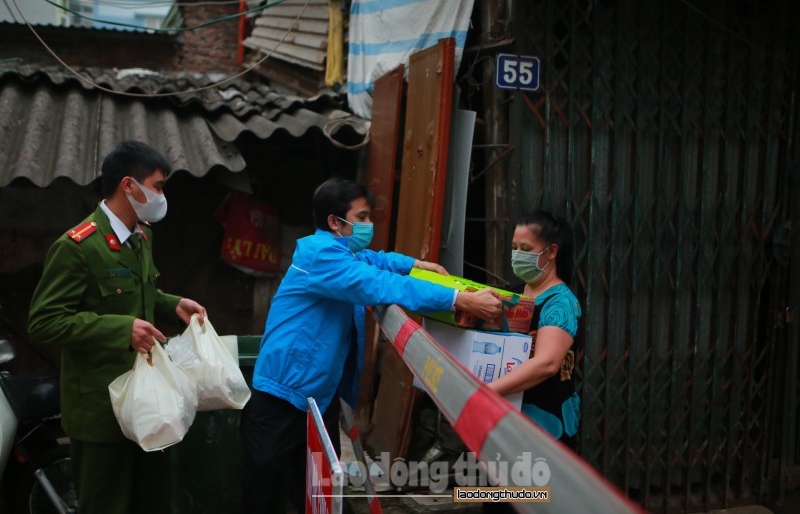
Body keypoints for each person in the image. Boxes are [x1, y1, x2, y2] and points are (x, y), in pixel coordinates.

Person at [240, 178, 502, 513]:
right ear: (335, 222)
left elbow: (375, 261)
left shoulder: (340, 250)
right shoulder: (322, 257)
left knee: (316, 493)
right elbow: (378, 283)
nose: (369, 225)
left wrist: (415, 265)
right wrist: (458, 299)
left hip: (317, 399)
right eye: (361, 217)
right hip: (281, 398)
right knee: (263, 496)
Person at [27, 141, 207, 514]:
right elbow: (44, 321)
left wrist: (172, 303)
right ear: (129, 185)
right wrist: (120, 330)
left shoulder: (142, 236)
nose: (161, 196)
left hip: (148, 404)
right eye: (157, 186)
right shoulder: (78, 246)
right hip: (100, 410)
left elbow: (143, 292)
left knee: (152, 502)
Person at [488, 210, 582, 446]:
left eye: (526, 249)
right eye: (514, 247)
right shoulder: (515, 293)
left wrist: (483, 392)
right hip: (507, 420)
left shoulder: (560, 303)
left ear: (551, 252)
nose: (517, 255)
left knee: (535, 484)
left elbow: (547, 364)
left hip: (545, 427)